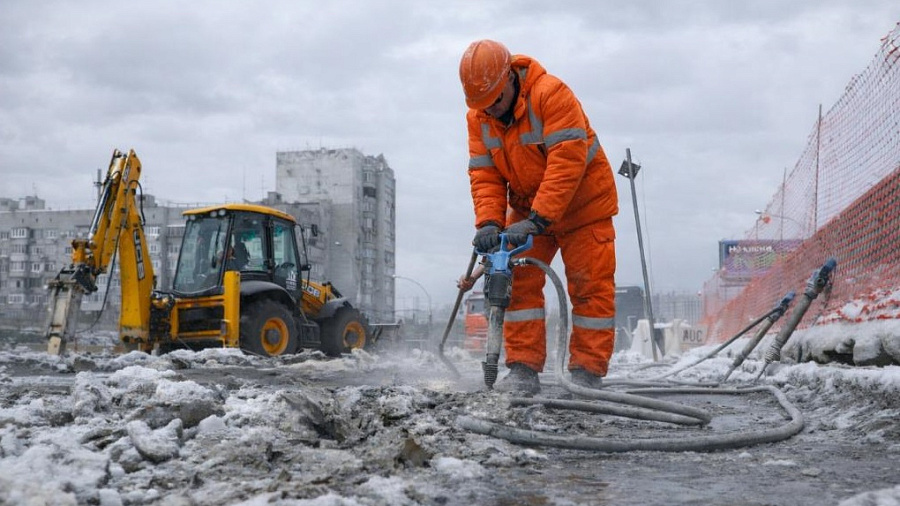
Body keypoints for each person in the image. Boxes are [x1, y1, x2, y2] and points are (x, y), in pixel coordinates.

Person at [458, 39, 619, 394]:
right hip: (530, 207)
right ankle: (522, 369)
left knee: (590, 289)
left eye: (496, 100)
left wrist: (540, 218)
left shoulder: (551, 95)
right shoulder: (479, 118)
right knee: (518, 282)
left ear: (510, 79)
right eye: (483, 105)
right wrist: (488, 222)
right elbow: (484, 173)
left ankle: (586, 373)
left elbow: (567, 161)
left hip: (584, 207)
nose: (492, 111)